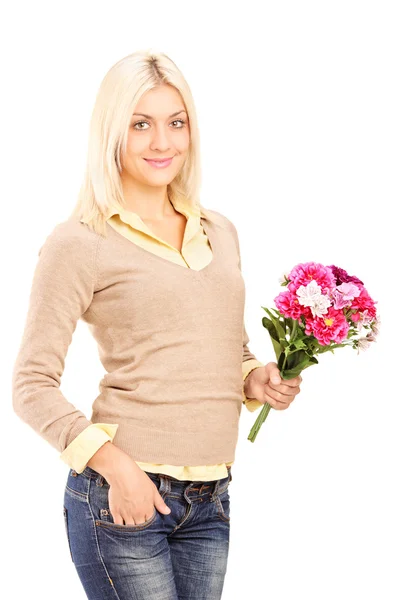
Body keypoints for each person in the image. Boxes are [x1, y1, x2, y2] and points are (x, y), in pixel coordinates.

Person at [11, 49, 302, 600]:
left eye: (176, 122)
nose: (162, 142)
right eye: (140, 124)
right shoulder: (80, 241)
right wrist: (116, 467)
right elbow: (30, 386)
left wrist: (253, 379)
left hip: (212, 495)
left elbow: (224, 345)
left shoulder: (220, 230)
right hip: (124, 493)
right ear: (112, 132)